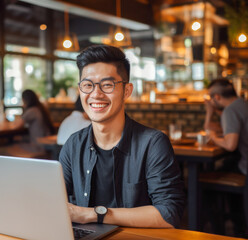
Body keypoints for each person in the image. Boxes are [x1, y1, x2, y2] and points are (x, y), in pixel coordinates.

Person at [59, 45, 185, 228]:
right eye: (87, 85)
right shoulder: (74, 144)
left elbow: (169, 213)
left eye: (107, 85)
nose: (96, 94)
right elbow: (55, 202)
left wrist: (93, 214)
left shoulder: (152, 143)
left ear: (127, 91)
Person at [204, 78, 248, 174]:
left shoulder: (230, 110)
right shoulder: (243, 103)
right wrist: (211, 111)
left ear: (217, 97)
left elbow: (230, 145)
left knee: (207, 175)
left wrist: (213, 137)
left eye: (210, 97)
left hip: (245, 168)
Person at [0, 89, 55, 157]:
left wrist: (3, 121)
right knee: (13, 143)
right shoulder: (40, 109)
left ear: (24, 100)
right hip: (44, 146)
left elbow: (15, 126)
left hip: (37, 147)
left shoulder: (32, 111)